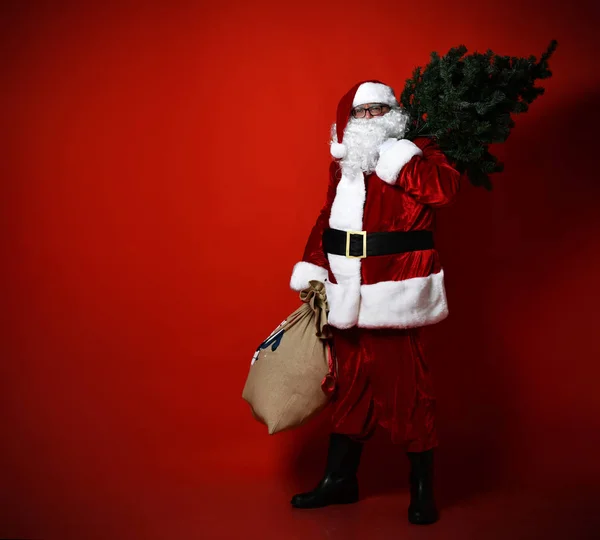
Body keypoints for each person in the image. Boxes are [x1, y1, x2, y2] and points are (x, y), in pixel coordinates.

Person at [288, 80, 461, 525]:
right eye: (361, 112)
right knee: (348, 391)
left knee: (408, 395)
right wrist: (312, 270)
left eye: (378, 110)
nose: (369, 119)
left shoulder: (418, 153)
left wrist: (400, 159)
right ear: (348, 121)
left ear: (394, 115)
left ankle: (422, 490)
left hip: (394, 292)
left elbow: (444, 191)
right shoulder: (344, 167)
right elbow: (326, 220)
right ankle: (339, 481)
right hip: (346, 294)